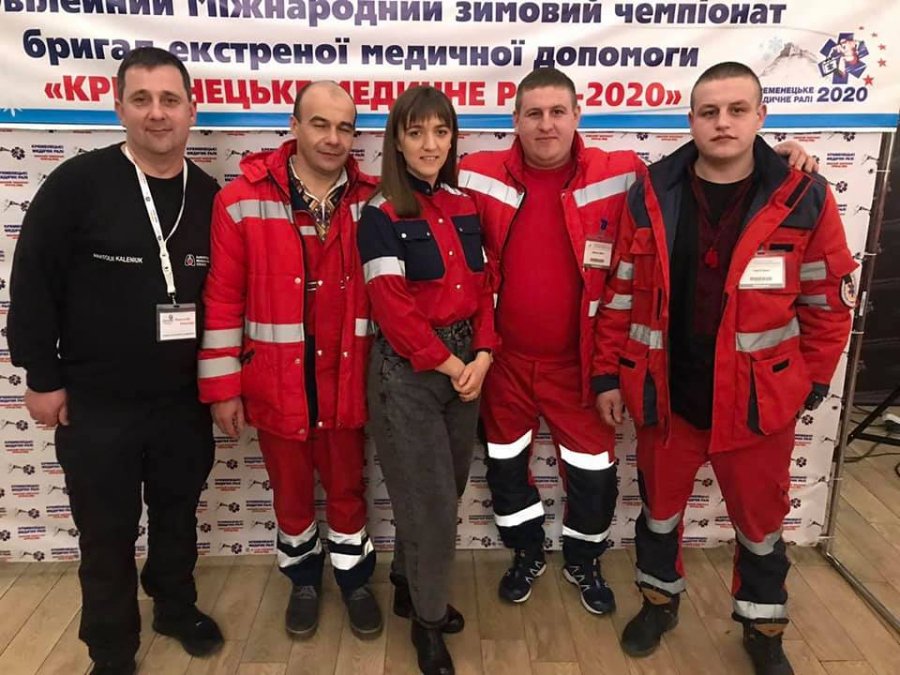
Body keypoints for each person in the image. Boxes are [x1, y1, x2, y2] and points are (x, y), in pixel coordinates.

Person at [458, 66, 817, 617]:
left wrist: (781, 160)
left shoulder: (622, 171)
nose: (546, 125)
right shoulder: (475, 173)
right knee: (505, 467)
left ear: (578, 116)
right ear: (515, 120)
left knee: (593, 478)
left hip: (580, 367)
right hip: (503, 365)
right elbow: (423, 189)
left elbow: (707, 166)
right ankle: (525, 552)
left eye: (558, 112)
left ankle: (583, 560)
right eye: (534, 114)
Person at [593, 62, 855, 675]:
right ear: (691, 120)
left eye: (738, 110)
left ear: (761, 116)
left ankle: (763, 630)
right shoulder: (650, 193)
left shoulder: (804, 196)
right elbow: (621, 292)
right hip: (668, 398)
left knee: (761, 530)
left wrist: (812, 380)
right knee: (659, 516)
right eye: (709, 112)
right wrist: (608, 374)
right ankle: (659, 604)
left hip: (759, 405)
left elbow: (827, 301)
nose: (723, 123)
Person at [8, 47, 223, 675]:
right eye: (142, 99)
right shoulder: (78, 184)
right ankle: (110, 648)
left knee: (178, 517)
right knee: (106, 535)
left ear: (190, 111)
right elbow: (33, 282)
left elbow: (227, 297)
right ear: (119, 108)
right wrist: (41, 377)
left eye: (170, 100)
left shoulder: (210, 196)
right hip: (97, 402)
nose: (157, 113)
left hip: (183, 400)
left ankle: (175, 607)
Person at [197, 81, 383, 639]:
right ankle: (303, 579)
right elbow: (222, 299)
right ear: (295, 126)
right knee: (291, 493)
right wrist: (223, 388)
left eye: (345, 127)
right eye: (320, 124)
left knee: (348, 490)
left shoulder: (375, 201)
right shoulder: (240, 201)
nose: (333, 138)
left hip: (348, 379)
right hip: (277, 383)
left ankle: (354, 581)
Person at [357, 85, 497, 675]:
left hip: (466, 370)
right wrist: (452, 364)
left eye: (441, 131)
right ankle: (429, 622)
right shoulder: (379, 214)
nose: (430, 144)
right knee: (433, 506)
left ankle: (408, 584)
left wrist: (483, 356)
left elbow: (485, 290)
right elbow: (392, 308)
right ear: (397, 140)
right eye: (416, 132)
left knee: (445, 489)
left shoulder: (465, 205)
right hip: (409, 374)